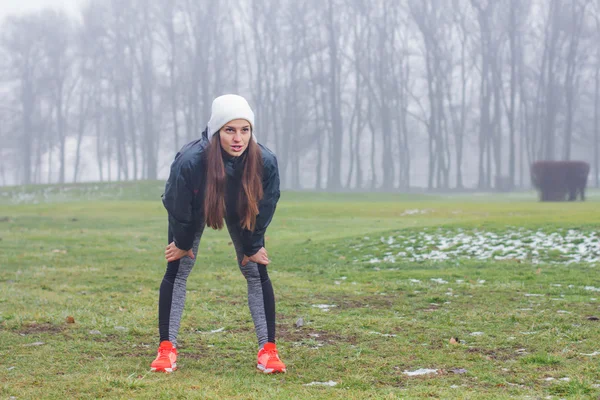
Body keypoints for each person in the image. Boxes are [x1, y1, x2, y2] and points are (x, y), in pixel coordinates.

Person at [150, 94, 285, 374]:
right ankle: (166, 349)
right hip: (197, 207)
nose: (238, 138)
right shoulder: (191, 161)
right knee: (178, 265)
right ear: (216, 132)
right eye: (230, 130)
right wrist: (183, 242)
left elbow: (266, 204)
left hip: (242, 207)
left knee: (255, 267)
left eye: (245, 130)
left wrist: (252, 246)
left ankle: (268, 351)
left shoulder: (265, 161)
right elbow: (177, 204)